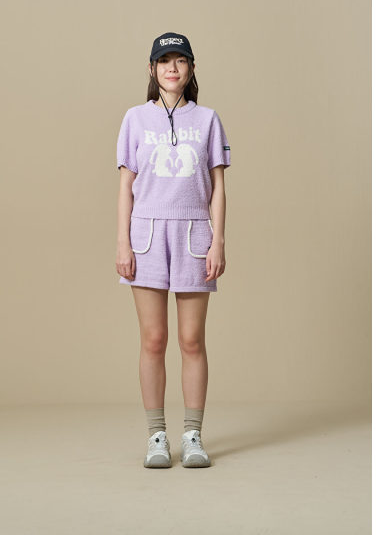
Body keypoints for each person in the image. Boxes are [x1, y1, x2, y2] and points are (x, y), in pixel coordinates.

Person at [115, 32, 231, 468]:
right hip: (146, 235)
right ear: (152, 69)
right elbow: (125, 186)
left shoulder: (208, 120)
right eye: (164, 61)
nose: (172, 68)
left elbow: (218, 186)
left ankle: (194, 435)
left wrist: (218, 240)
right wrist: (123, 242)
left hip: (194, 236)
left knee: (191, 340)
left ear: (191, 69)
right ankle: (157, 436)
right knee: (153, 339)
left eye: (180, 60)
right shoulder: (135, 119)